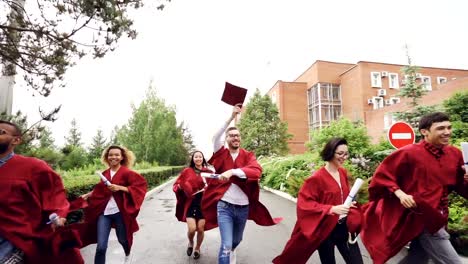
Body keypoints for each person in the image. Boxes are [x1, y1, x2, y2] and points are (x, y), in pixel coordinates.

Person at [360, 112, 468, 264]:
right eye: (441, 128)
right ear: (424, 132)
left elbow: (460, 186)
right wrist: (400, 193)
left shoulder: (455, 154)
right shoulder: (409, 153)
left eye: (449, 127)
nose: (447, 132)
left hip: (440, 216)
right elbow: (382, 176)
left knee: (418, 258)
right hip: (420, 215)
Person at [202, 104, 282, 264]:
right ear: (227, 139)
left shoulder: (248, 155)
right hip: (224, 206)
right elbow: (215, 137)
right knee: (225, 244)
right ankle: (228, 253)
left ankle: (233, 250)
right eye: (232, 135)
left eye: (238, 135)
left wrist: (232, 172)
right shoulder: (221, 154)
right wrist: (231, 117)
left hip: (243, 208)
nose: (235, 138)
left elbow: (256, 171)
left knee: (235, 241)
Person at [0, 120, 84, 264]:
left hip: (16, 239)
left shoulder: (33, 166)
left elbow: (54, 194)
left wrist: (59, 216)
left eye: (2, 132)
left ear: (16, 140)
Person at [273, 137, 364, 264]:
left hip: (343, 227)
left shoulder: (342, 172)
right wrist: (331, 209)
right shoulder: (317, 178)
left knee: (356, 261)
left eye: (346, 153)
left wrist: (349, 204)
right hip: (325, 231)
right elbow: (305, 204)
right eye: (340, 153)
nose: (344, 157)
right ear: (330, 152)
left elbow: (343, 195)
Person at [79, 145, 147, 264]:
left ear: (122, 157)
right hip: (104, 213)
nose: (113, 157)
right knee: (101, 247)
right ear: (107, 157)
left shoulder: (127, 173)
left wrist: (120, 187)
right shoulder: (104, 174)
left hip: (120, 212)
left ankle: (127, 252)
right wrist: (87, 195)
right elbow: (101, 190)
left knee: (123, 239)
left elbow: (140, 187)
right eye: (110, 155)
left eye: (117, 155)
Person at [173, 150, 213, 259]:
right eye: (196, 157)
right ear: (193, 159)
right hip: (191, 203)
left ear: (203, 159)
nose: (198, 159)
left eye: (200, 157)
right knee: (191, 229)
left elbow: (216, 185)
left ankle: (197, 248)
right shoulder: (187, 171)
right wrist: (179, 187)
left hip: (204, 204)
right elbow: (177, 184)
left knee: (200, 228)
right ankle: (190, 242)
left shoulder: (209, 172)